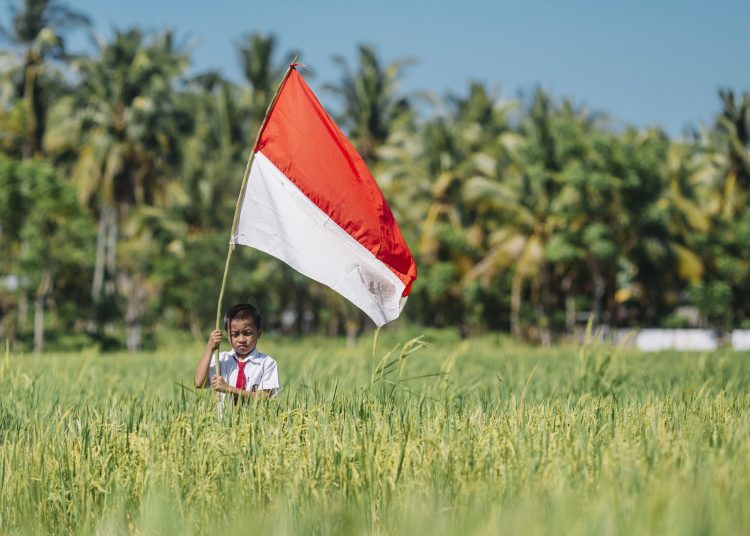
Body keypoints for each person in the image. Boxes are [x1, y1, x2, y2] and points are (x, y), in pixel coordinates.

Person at [194, 303, 280, 402]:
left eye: (247, 333)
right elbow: (199, 382)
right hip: (224, 417)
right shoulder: (221, 359)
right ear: (228, 336)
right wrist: (210, 347)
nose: (241, 339)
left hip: (254, 417)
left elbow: (264, 396)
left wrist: (229, 389)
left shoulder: (267, 363)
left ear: (259, 334)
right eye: (235, 334)